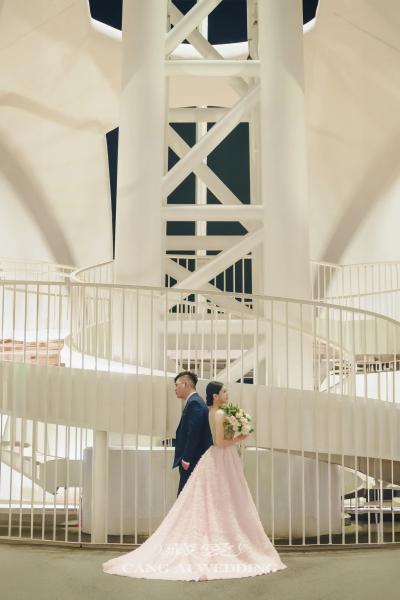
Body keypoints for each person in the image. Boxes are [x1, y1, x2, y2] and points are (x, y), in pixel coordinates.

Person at [102, 380, 286, 581]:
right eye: (224, 391)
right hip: (222, 457)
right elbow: (219, 442)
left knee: (222, 499)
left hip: (220, 457)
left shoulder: (214, 411)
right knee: (226, 499)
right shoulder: (218, 413)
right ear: (215, 395)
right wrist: (240, 438)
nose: (227, 394)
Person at [172, 370, 212, 495]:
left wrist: (186, 459)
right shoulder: (194, 401)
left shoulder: (195, 403)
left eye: (177, 385)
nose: (175, 389)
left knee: (185, 498)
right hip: (192, 460)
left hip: (192, 461)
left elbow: (193, 433)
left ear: (185, 384)